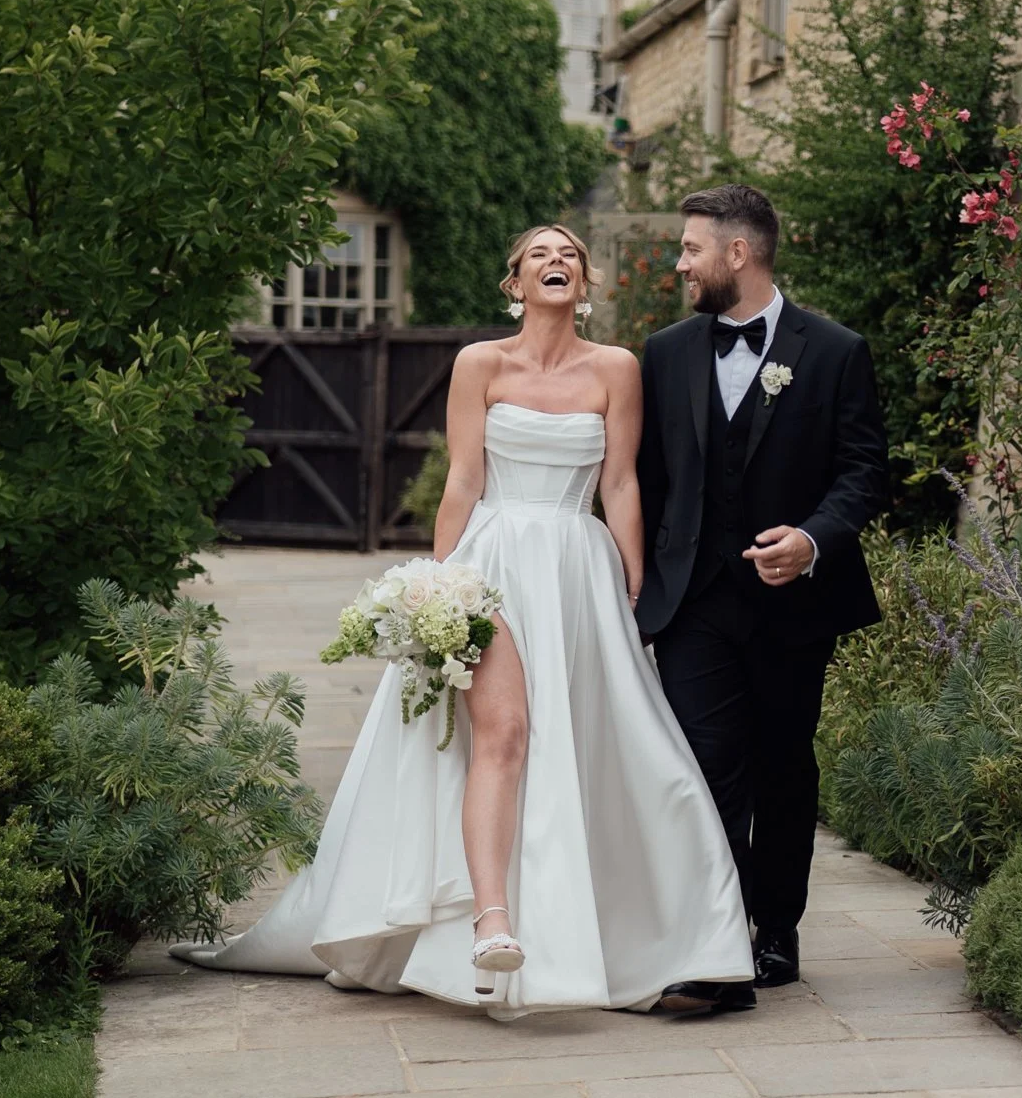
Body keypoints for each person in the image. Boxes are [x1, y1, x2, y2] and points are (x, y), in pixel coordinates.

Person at [170, 224, 753, 1019]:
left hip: (578, 575)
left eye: (570, 255)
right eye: (540, 254)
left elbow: (620, 482)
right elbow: (464, 480)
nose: (556, 261)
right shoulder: (480, 363)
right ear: (515, 283)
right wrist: (435, 589)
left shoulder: (617, 368)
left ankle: (622, 930)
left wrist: (634, 583)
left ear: (586, 284)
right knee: (503, 734)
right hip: (492, 569)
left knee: (597, 742)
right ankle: (491, 922)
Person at [637, 185, 889, 1014]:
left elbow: (864, 471)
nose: (681, 264)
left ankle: (774, 927)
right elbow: (645, 479)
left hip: (794, 607)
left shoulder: (836, 351)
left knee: (784, 765)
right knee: (704, 767)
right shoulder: (664, 353)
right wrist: (637, 579)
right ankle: (714, 939)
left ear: (737, 253)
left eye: (691, 249)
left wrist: (813, 539)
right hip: (694, 602)